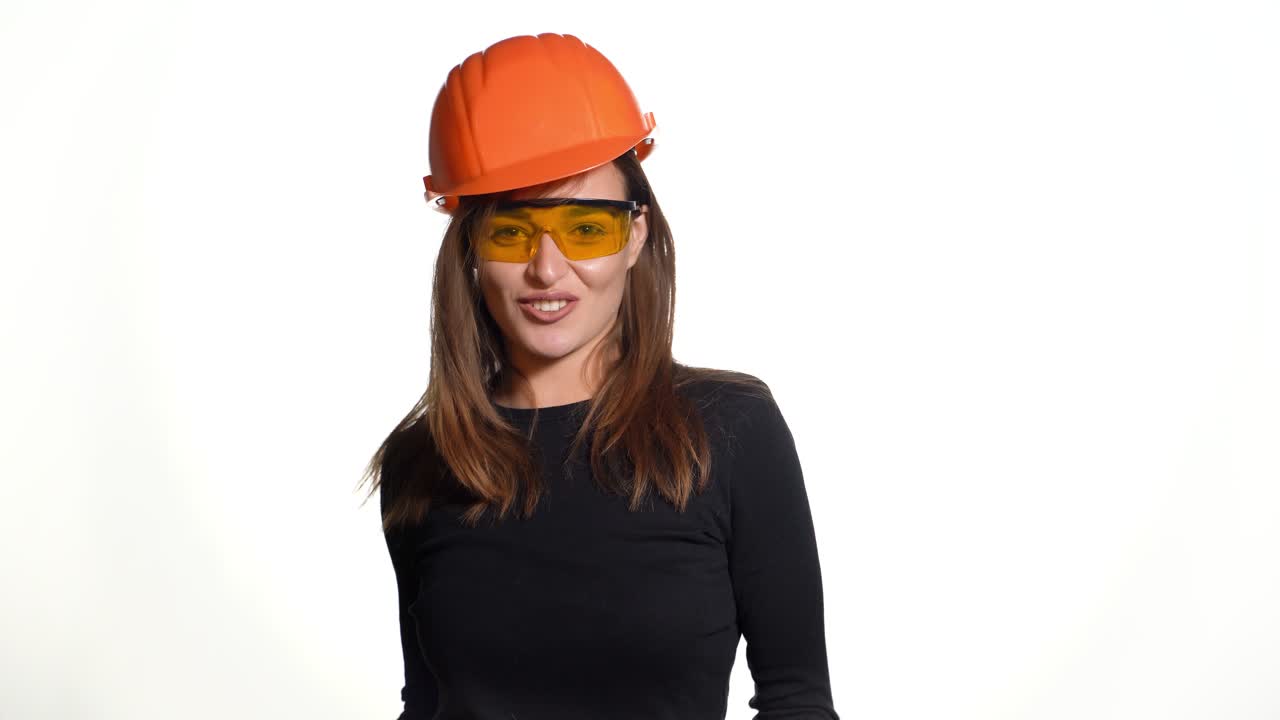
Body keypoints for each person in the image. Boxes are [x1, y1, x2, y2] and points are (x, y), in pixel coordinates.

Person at [360, 32, 839, 719]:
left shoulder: (731, 429)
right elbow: (428, 703)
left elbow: (798, 701)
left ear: (636, 234)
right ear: (469, 245)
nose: (547, 271)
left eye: (586, 229)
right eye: (510, 231)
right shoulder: (425, 460)